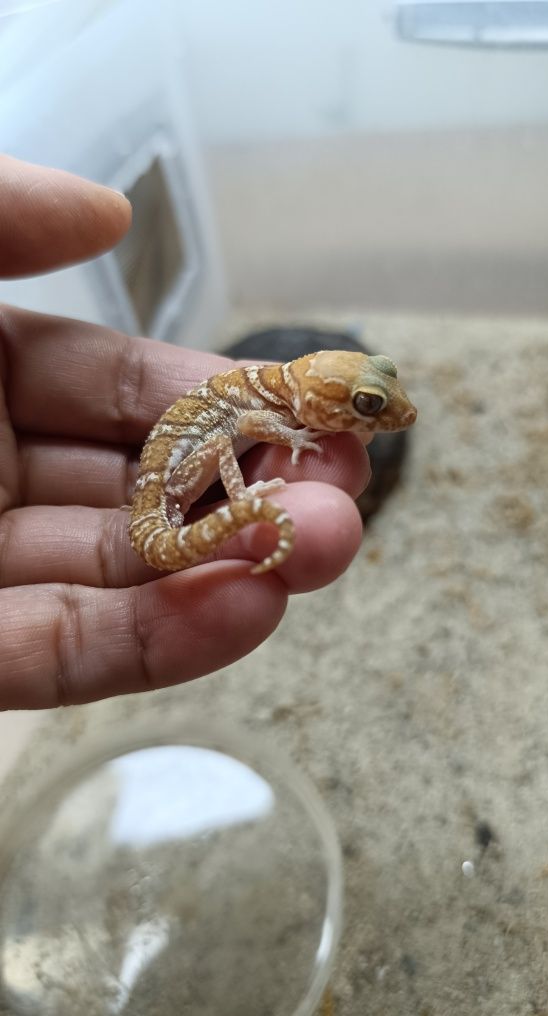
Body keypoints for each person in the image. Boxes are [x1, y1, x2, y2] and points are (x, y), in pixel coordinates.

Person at [0, 155, 370, 710]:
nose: (379, 419)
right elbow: (242, 426)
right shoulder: (267, 405)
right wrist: (270, 465)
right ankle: (243, 503)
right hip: (166, 496)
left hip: (162, 484)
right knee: (225, 440)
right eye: (368, 406)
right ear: (318, 394)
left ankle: (237, 506)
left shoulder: (277, 392)